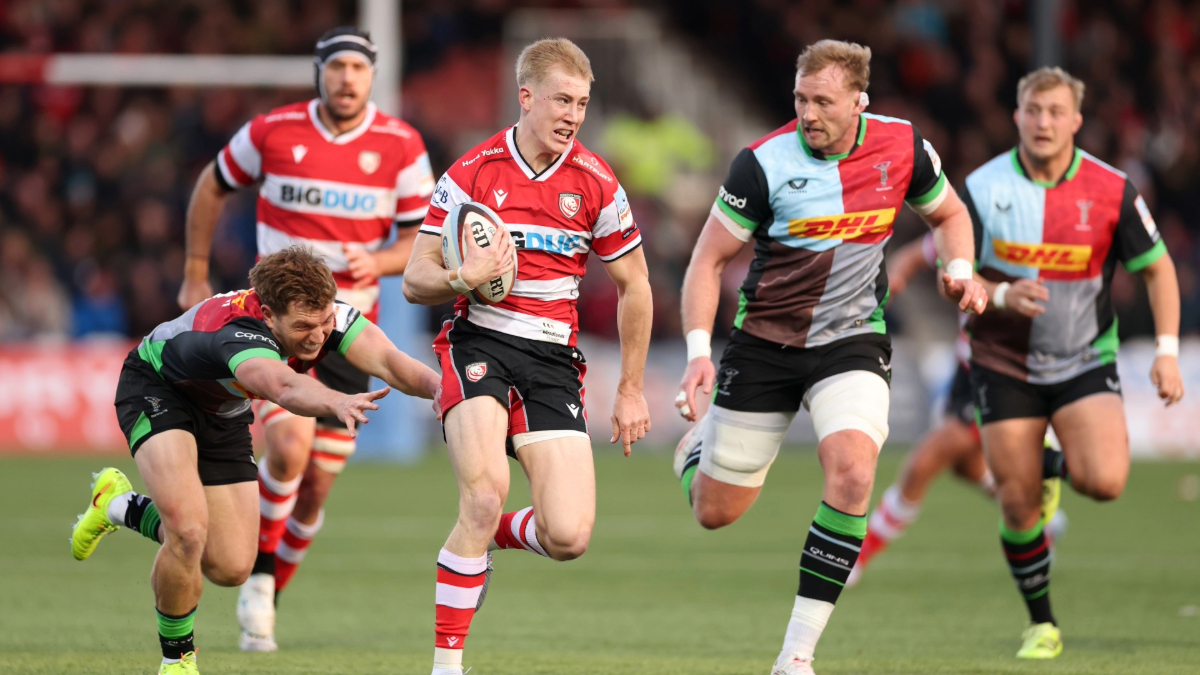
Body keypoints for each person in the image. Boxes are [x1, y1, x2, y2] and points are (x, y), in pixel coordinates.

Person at [670, 40, 987, 675]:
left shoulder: (902, 147)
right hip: (765, 345)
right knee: (715, 512)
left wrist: (960, 268)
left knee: (853, 473)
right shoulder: (762, 163)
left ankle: (796, 655)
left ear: (859, 101)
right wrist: (699, 352)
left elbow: (950, 214)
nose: (808, 113)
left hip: (852, 339)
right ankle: (696, 451)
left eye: (823, 102)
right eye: (800, 99)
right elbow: (708, 261)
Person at [176, 27, 435, 651]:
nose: (347, 78)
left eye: (358, 68)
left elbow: (421, 239)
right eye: (336, 66)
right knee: (289, 448)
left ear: (372, 75)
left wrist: (381, 260)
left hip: (347, 331)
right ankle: (258, 582)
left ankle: (268, 586)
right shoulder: (272, 131)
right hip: (276, 329)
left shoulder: (401, 145)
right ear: (319, 72)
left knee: (315, 488)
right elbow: (211, 185)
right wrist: (195, 271)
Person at [401, 37, 652, 675]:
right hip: (479, 341)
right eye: (562, 100)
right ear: (526, 96)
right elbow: (414, 278)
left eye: (582, 104)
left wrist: (630, 387)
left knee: (568, 536)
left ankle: (485, 541)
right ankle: (446, 665)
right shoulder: (472, 173)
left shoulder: (596, 181)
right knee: (484, 495)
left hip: (552, 359)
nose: (573, 115)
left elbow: (636, 285)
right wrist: (462, 276)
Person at [71, 247, 441, 675]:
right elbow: (283, 387)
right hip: (158, 390)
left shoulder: (326, 317)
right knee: (188, 532)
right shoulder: (238, 332)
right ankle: (177, 660)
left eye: (324, 322)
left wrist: (443, 391)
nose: (317, 336)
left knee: (230, 567)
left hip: (223, 410)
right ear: (268, 315)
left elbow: (390, 361)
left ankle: (119, 505)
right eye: (303, 327)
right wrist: (337, 400)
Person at [963, 66, 1184, 659]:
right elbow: (952, 276)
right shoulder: (981, 188)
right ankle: (1042, 624)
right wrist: (1002, 296)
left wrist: (1166, 352)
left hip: (1084, 357)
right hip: (1003, 359)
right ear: (1016, 116)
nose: (1043, 122)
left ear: (1076, 121)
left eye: (1056, 112)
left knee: (1105, 482)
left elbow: (1158, 268)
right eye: (1033, 111)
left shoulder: (1111, 189)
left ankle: (1047, 465)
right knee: (1016, 501)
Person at [848, 233, 1067, 587]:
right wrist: (893, 281)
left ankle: (857, 557)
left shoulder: (1026, 240)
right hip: (967, 369)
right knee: (966, 467)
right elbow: (914, 255)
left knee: (924, 463)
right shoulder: (966, 229)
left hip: (1002, 372)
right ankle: (1039, 517)